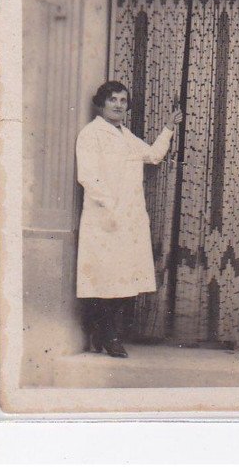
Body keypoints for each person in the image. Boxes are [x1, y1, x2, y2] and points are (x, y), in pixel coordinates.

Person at [76, 81, 183, 357]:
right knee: (105, 279)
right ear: (102, 102)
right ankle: (108, 336)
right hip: (105, 218)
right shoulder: (91, 134)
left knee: (127, 280)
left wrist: (169, 127)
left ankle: (104, 333)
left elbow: (153, 155)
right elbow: (88, 175)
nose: (118, 105)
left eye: (123, 100)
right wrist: (112, 206)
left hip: (130, 219)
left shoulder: (125, 135)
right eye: (113, 99)